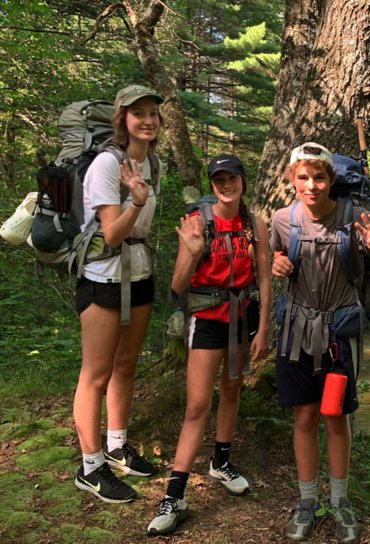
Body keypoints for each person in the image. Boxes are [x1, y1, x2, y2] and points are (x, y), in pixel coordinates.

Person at [271, 142, 370, 542]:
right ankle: (305, 502)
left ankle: (339, 502)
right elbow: (273, 259)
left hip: (338, 336)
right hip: (296, 333)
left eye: (319, 177)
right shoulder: (282, 220)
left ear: (331, 180)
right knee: (303, 417)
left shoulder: (357, 218)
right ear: (292, 180)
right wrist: (274, 263)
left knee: (335, 417)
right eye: (304, 178)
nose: (312, 186)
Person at [147, 154, 271, 536]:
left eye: (232, 177)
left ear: (243, 181)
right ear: (212, 183)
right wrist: (194, 250)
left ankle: (221, 462)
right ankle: (174, 494)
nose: (226, 184)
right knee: (198, 404)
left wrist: (264, 327)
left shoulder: (256, 224)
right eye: (219, 179)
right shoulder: (196, 222)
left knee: (232, 388)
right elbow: (177, 285)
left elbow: (265, 278)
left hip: (242, 318)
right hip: (206, 321)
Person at [72, 84, 164, 503]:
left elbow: (141, 231)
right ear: (122, 118)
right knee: (96, 374)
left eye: (153, 114)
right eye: (138, 113)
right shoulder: (107, 165)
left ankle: (116, 447)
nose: (147, 120)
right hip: (103, 277)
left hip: (139, 273)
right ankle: (90, 468)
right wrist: (134, 201)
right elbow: (110, 234)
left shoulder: (153, 162)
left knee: (126, 365)